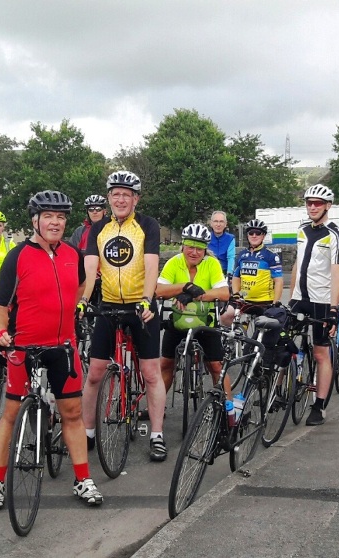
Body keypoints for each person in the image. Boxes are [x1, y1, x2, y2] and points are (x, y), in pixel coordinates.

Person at [0, 190, 103, 510]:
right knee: (10, 414)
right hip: (23, 346)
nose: (56, 222)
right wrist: (0, 331)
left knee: (72, 413)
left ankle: (82, 479)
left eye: (61, 217)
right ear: (35, 220)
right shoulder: (18, 256)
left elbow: (80, 285)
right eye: (49, 216)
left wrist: (77, 304)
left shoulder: (71, 254)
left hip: (63, 347)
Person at [78, 171, 167, 461]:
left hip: (140, 307)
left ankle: (156, 434)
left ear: (135, 199)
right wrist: (83, 300)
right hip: (109, 305)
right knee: (94, 374)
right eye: (115, 194)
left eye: (126, 194)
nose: (120, 199)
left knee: (152, 373)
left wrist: (147, 299)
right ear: (109, 198)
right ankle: (88, 431)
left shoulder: (147, 225)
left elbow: (152, 266)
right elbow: (91, 270)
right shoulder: (98, 229)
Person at [289, 184, 339, 426]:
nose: (312, 207)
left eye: (318, 203)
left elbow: (336, 273)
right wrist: (290, 296)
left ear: (328, 206)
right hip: (299, 298)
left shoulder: (334, 235)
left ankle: (319, 405)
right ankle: (281, 391)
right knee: (284, 342)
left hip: (321, 301)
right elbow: (297, 265)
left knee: (321, 352)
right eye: (309, 202)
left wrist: (333, 308)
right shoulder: (301, 230)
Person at [156, 223, 231, 399]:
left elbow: (224, 293)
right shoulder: (174, 262)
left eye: (199, 248)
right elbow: (158, 290)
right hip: (178, 321)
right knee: (166, 363)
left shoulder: (212, 264)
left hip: (206, 322)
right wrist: (186, 287)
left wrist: (194, 296)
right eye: (190, 247)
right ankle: (156, 406)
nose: (194, 252)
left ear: (205, 250)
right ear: (183, 246)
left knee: (216, 366)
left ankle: (229, 412)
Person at [231, 219, 283, 312]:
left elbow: (278, 281)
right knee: (234, 323)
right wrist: (236, 293)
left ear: (263, 236)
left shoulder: (271, 255)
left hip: (265, 302)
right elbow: (236, 277)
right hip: (245, 300)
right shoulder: (241, 255)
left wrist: (275, 302)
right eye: (251, 233)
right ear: (247, 235)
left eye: (258, 233)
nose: (254, 235)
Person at [208, 210, 235, 275]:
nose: (218, 224)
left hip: (224, 272)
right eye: (215, 221)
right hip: (208, 271)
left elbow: (231, 257)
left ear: (225, 224)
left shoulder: (230, 238)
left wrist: (230, 274)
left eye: (221, 221)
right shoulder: (206, 237)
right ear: (211, 223)